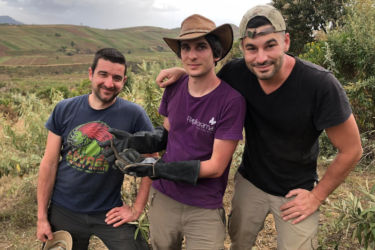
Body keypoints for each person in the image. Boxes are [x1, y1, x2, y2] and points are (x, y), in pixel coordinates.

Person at [155, 5, 363, 250]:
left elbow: (352, 149)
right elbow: (209, 83)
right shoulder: (237, 72)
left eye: (270, 45)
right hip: (250, 181)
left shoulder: (319, 85)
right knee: (239, 242)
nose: (261, 57)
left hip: (296, 189)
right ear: (242, 48)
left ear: (286, 41)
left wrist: (317, 196)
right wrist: (182, 72)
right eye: (252, 49)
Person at [101, 14, 246, 249]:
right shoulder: (174, 86)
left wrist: (155, 168)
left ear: (216, 53)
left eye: (201, 47)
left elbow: (216, 166)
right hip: (164, 198)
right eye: (185, 48)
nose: (191, 55)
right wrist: (136, 143)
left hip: (204, 205)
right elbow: (169, 134)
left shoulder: (231, 101)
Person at [36, 48, 153, 250]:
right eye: (103, 74)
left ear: (123, 81)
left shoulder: (134, 115)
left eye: (117, 78)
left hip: (109, 211)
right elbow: (49, 163)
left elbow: (152, 160)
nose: (109, 83)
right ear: (91, 74)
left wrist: (136, 209)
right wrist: (41, 217)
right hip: (64, 210)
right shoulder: (65, 109)